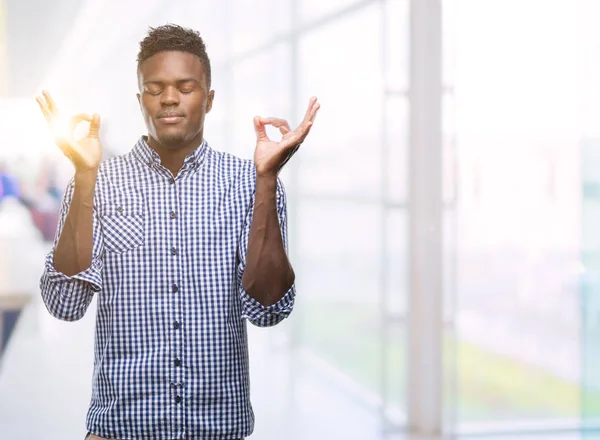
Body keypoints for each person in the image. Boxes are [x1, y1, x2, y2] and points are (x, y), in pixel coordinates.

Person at [36, 24, 319, 440]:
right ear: (140, 100)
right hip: (120, 428)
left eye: (186, 87)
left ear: (209, 99)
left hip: (218, 429)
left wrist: (267, 180)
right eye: (155, 88)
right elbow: (65, 303)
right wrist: (83, 175)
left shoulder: (249, 181)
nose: (169, 98)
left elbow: (269, 309)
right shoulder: (99, 180)